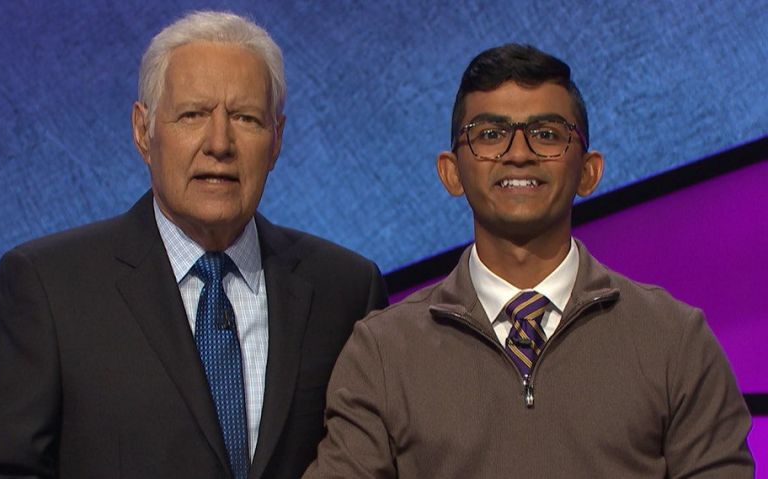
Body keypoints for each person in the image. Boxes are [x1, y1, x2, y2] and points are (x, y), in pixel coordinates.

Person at [0, 10, 387, 479]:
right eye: (192, 115)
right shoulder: (46, 287)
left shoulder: (347, 289)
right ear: (142, 131)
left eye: (246, 118)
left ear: (277, 140)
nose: (219, 143)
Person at [304, 44, 753, 477]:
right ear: (451, 172)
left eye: (546, 134)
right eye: (490, 135)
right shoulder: (382, 352)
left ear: (589, 170)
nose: (518, 154)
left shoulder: (674, 340)